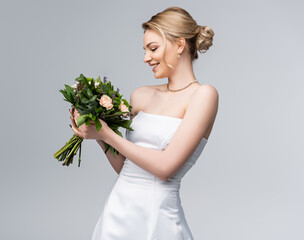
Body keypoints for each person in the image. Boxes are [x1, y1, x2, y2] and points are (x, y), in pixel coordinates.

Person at [69, 6, 218, 240]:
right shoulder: (140, 95)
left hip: (157, 217)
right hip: (117, 213)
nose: (146, 58)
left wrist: (107, 134)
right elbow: (126, 167)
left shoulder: (204, 96)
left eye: (153, 48)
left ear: (179, 45)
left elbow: (165, 168)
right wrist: (97, 133)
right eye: (145, 50)